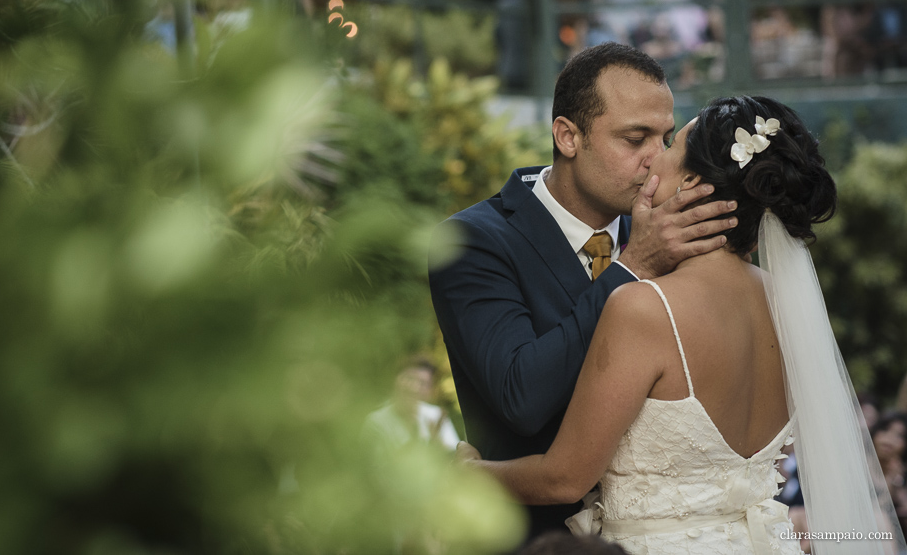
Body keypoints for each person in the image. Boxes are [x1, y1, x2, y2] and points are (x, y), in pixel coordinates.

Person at [458, 96, 907, 554]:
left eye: (670, 145)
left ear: (690, 181)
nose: (654, 155)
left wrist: (469, 475)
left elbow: (565, 478)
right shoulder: (782, 302)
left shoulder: (643, 308)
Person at [428, 43, 738, 540]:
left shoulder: (665, 236)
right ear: (568, 136)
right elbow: (521, 397)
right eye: (635, 138)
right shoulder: (472, 242)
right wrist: (632, 268)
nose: (655, 159)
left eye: (663, 138)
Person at [364, 355, 460, 452]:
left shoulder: (436, 415)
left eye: (422, 383)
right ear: (395, 380)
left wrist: (437, 443)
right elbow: (376, 465)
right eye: (409, 379)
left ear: (429, 390)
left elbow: (455, 456)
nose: (414, 388)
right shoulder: (375, 421)